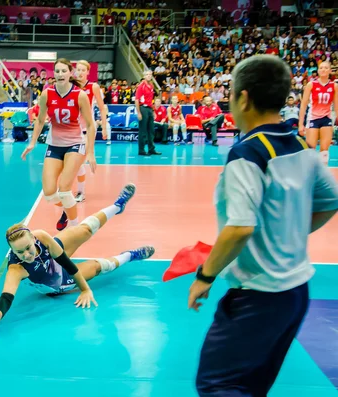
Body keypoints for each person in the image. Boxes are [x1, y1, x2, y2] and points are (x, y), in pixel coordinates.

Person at [187, 55, 338, 397]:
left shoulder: (249, 154)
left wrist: (205, 276)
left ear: (243, 98)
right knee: (251, 387)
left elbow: (239, 227)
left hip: (259, 296)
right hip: (296, 293)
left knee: (218, 385)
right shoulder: (300, 144)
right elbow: (330, 200)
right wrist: (291, 232)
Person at [0, 183, 155, 343]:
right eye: (20, 252)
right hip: (56, 281)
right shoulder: (16, 269)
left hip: (55, 261)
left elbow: (65, 261)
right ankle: (130, 255)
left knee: (83, 230)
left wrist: (86, 289)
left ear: (32, 238)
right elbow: (5, 300)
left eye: (28, 247)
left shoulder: (41, 237)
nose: (27, 254)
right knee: (98, 265)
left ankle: (117, 206)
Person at [22, 59, 97, 231]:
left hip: (75, 144)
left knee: (64, 189)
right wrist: (32, 142)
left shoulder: (80, 95)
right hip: (54, 145)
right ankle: (66, 209)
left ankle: (75, 228)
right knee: (49, 194)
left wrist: (91, 152)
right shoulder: (47, 94)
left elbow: (91, 124)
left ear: (70, 73)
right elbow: (40, 120)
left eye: (64, 71)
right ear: (53, 74)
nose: (60, 74)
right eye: (57, 71)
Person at [72, 60, 109, 204]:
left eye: (83, 70)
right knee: (75, 163)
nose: (80, 72)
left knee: (80, 160)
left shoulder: (93, 87)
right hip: (73, 129)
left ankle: (81, 191)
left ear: (88, 72)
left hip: (88, 129)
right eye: (78, 70)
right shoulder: (72, 86)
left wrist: (104, 126)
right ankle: (75, 189)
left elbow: (101, 107)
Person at [298, 61, 338, 165]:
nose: (323, 70)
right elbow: (303, 105)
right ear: (318, 70)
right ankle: (310, 176)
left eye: (325, 68)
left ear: (330, 70)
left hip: (327, 118)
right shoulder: (311, 84)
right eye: (321, 68)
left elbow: (337, 106)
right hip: (313, 118)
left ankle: (323, 176)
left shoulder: (334, 86)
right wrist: (300, 124)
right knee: (311, 150)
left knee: (324, 152)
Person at [135, 70, 161, 156]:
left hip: (149, 108)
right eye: (147, 74)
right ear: (144, 76)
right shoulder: (141, 86)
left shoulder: (151, 85)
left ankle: (151, 149)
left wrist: (153, 110)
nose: (149, 76)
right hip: (143, 108)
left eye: (150, 74)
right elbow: (137, 100)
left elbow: (151, 99)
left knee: (151, 130)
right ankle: (141, 150)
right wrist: (138, 112)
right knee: (143, 131)